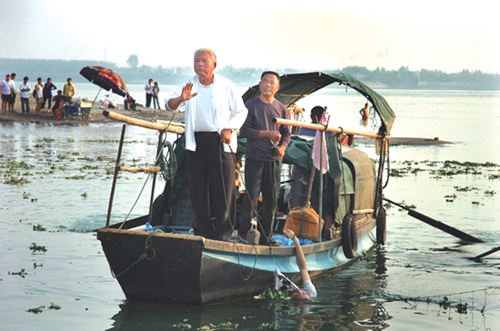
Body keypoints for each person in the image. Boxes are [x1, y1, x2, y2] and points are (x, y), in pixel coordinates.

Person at [166, 48, 247, 241]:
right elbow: (169, 104)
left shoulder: (226, 86)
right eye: (196, 61)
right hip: (196, 142)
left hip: (220, 141)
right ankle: (202, 232)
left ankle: (224, 234)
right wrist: (181, 99)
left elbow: (241, 112)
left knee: (223, 189)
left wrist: (230, 128)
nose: (199, 64)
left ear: (214, 65)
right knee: (198, 190)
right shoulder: (188, 85)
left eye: (204, 61)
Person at [238, 71, 291, 244]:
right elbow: (244, 131)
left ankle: (265, 236)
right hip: (255, 158)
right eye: (265, 81)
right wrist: (266, 133)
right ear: (260, 85)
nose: (268, 85)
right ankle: (243, 234)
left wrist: (282, 147)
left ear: (277, 87)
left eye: (272, 82)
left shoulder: (281, 108)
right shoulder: (250, 105)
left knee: (271, 199)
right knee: (251, 197)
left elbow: (287, 135)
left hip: (274, 160)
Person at [283, 229, 317, 300]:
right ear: (305, 292)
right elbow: (303, 268)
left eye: (296, 295)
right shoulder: (311, 291)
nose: (299, 290)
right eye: (302, 292)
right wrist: (296, 241)